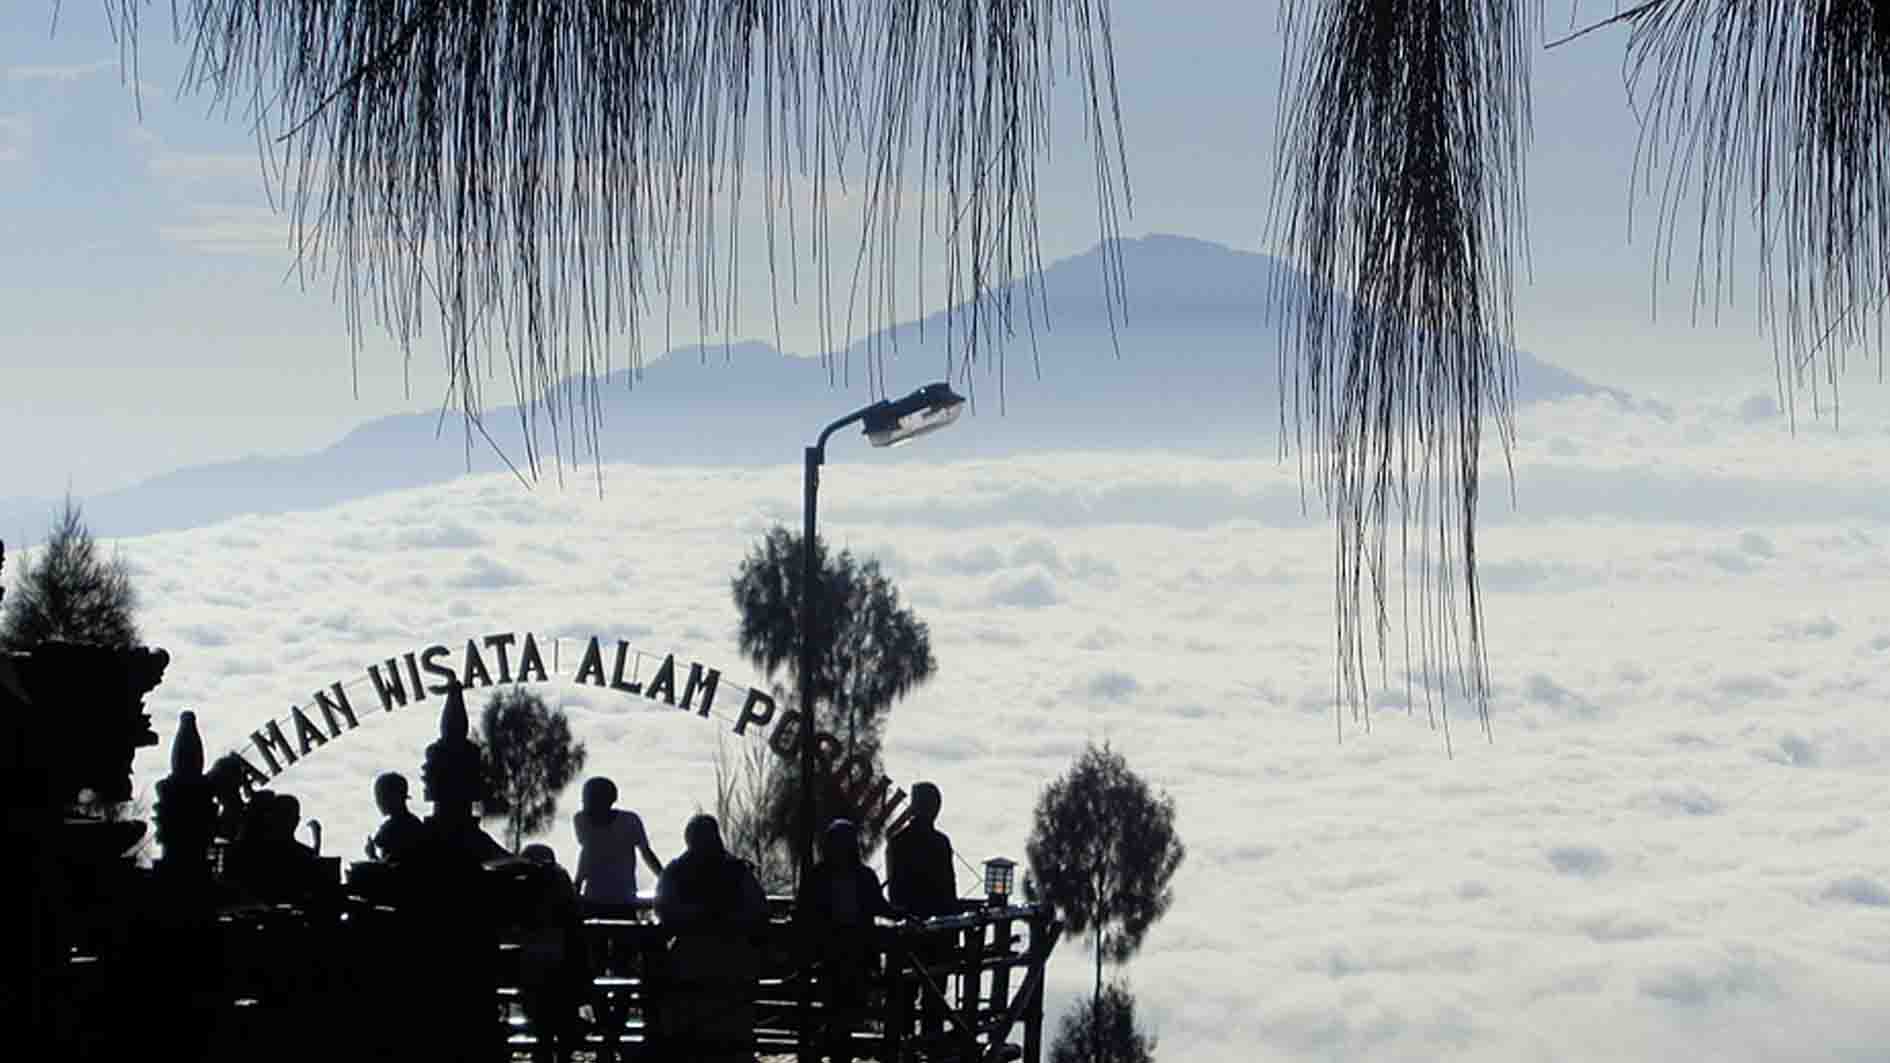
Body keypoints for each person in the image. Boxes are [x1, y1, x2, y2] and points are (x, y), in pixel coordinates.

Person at [653, 815, 768, 1062]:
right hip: (715, 957)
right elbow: (757, 909)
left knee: (716, 1025)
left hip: (712, 957)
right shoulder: (735, 870)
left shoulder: (681, 870)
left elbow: (664, 908)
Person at [797, 819, 896, 1063]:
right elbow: (804, 911)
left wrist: (900, 913)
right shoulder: (823, 876)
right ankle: (834, 1050)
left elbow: (879, 905)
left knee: (844, 1010)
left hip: (853, 953)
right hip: (831, 954)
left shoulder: (855, 876)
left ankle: (829, 1048)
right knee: (837, 1009)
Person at [885, 781, 959, 1044]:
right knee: (928, 997)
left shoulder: (900, 842)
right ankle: (925, 1046)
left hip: (916, 931)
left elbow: (896, 891)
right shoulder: (933, 843)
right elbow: (948, 892)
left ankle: (905, 1045)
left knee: (911, 995)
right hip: (928, 933)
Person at [513, 844, 588, 1063]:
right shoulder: (561, 882)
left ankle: (544, 1053)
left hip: (538, 962)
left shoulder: (525, 887)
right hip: (561, 962)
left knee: (542, 1027)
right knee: (561, 1025)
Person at [572, 777, 663, 909]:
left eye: (587, 797)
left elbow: (647, 854)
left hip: (620, 897)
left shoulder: (629, 821)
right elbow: (587, 854)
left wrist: (665, 879)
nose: (583, 801)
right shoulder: (581, 820)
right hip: (599, 896)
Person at [365, 771, 425, 862]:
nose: (378, 801)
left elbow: (389, 871)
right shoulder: (412, 822)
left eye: (382, 796)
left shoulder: (397, 827)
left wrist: (372, 855)